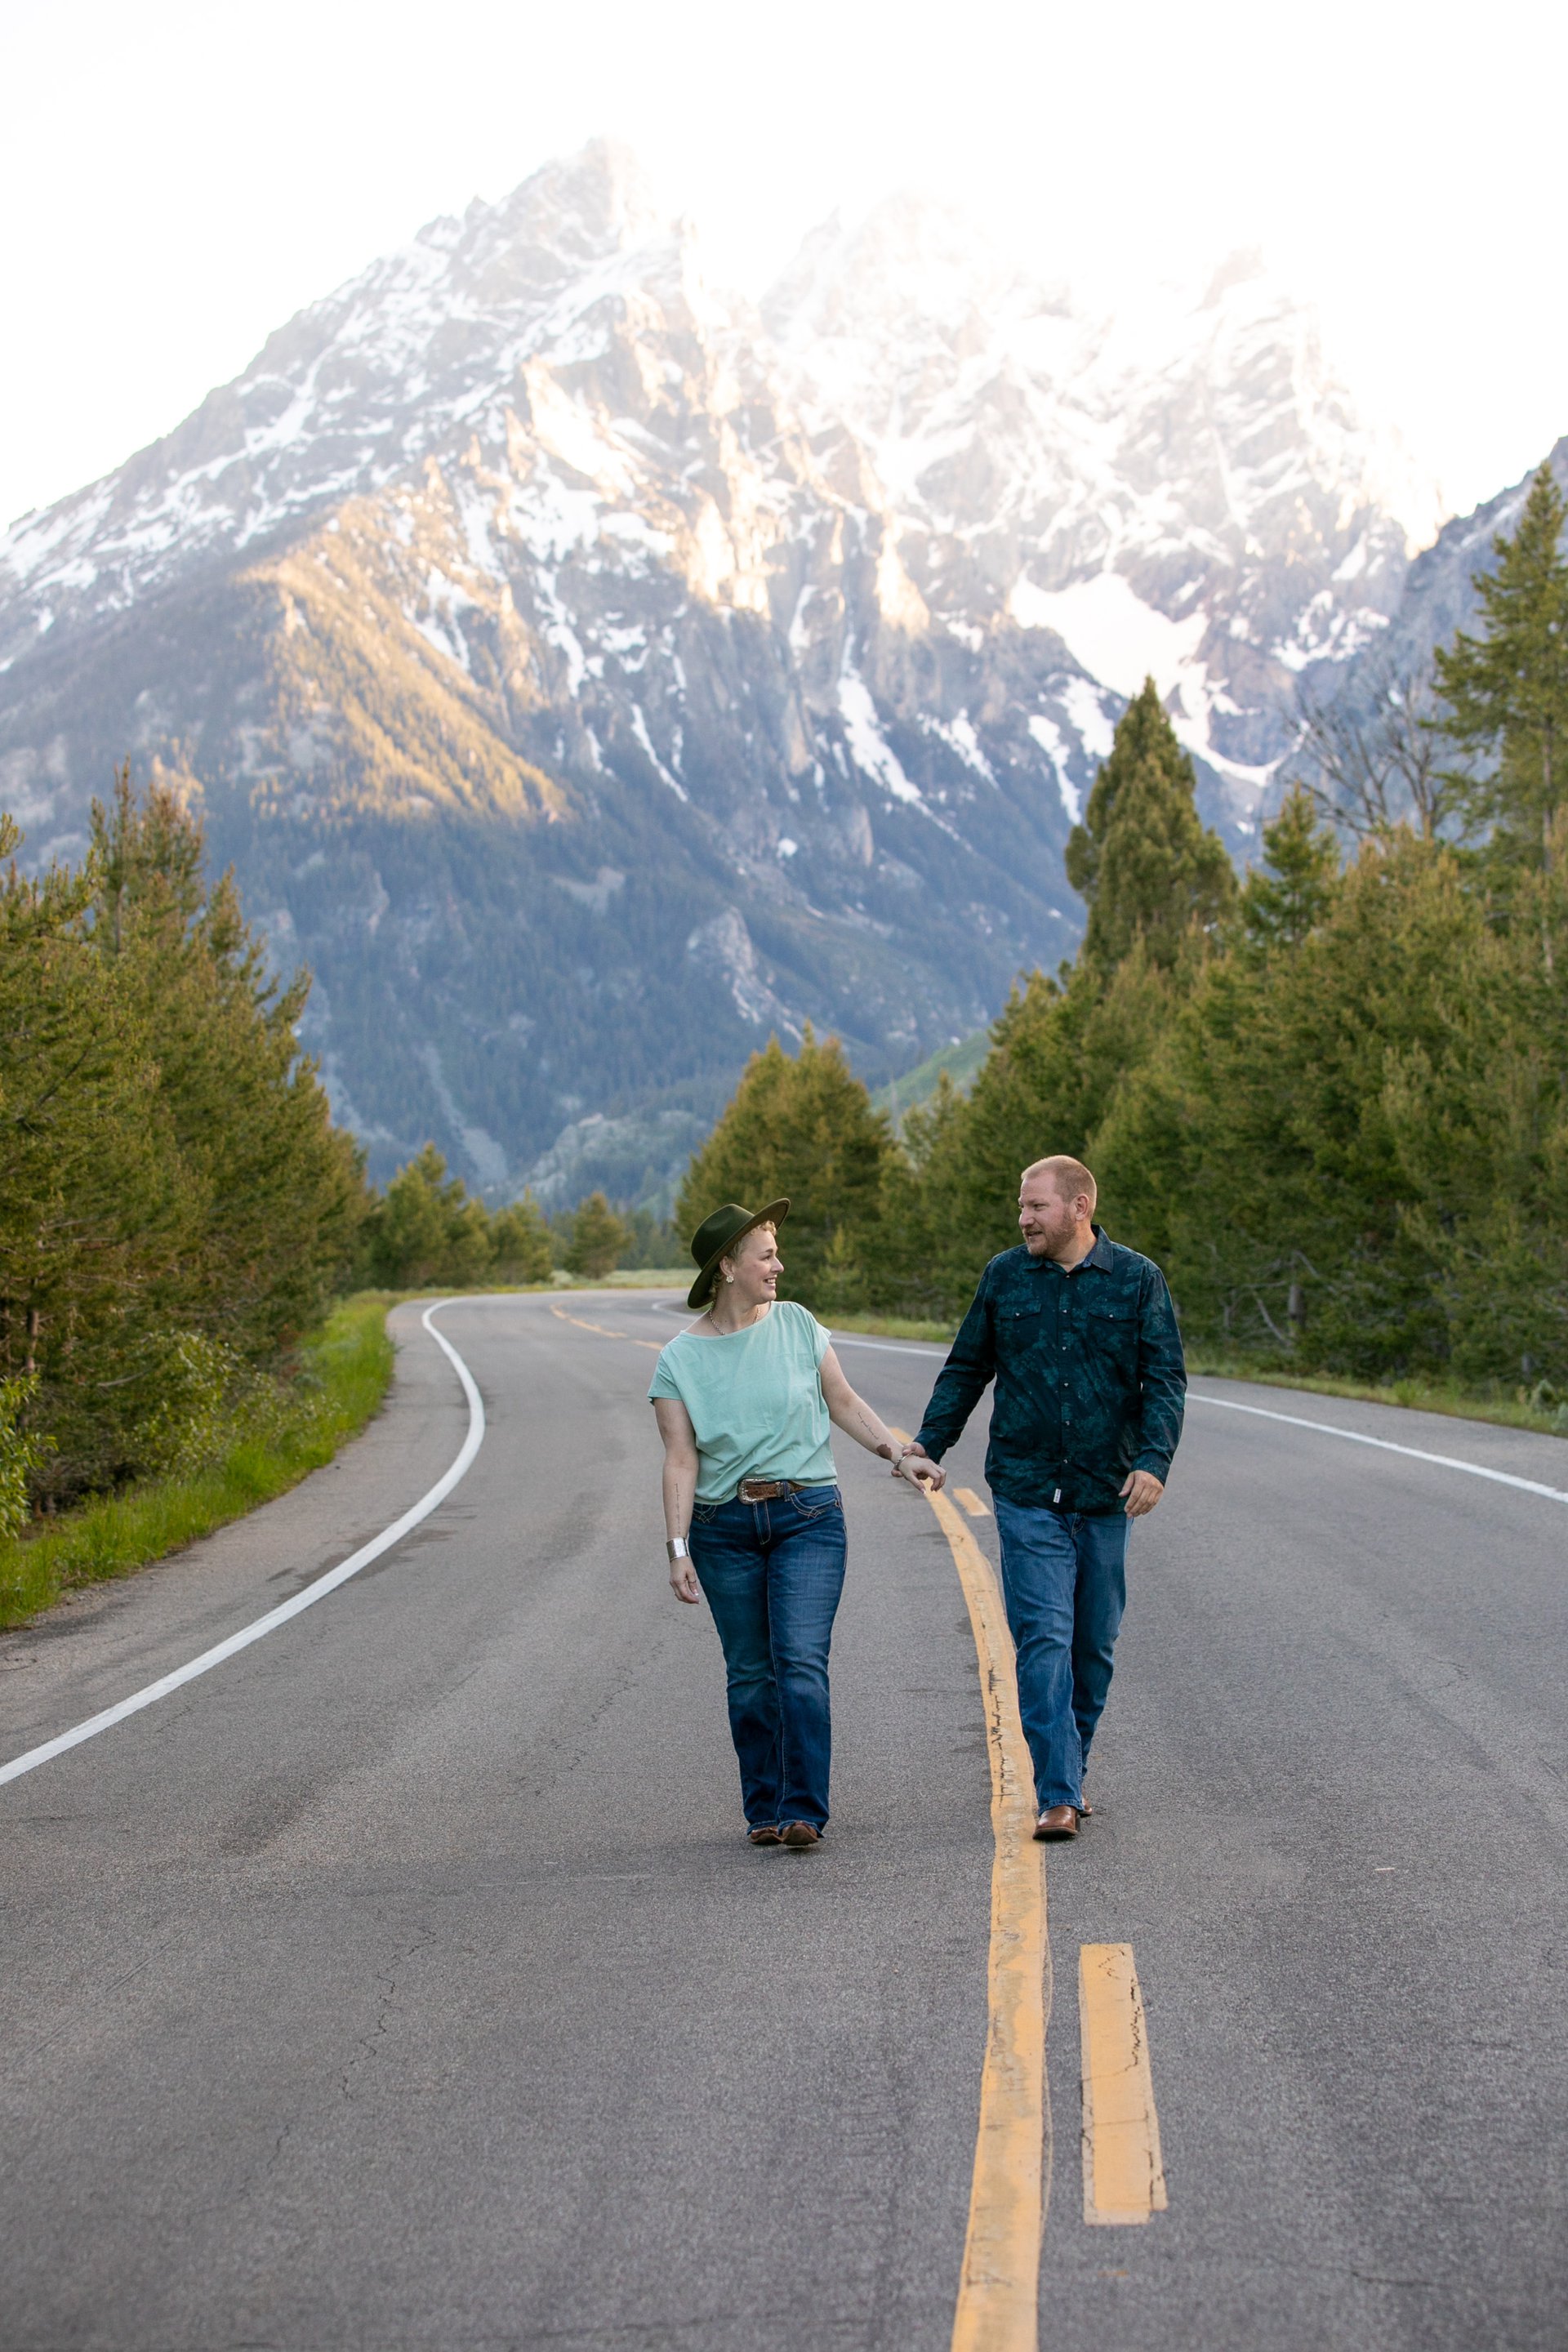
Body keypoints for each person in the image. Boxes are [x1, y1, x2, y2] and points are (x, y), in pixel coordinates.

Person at [902, 1156, 1185, 1841]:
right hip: (1027, 1490)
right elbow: (968, 1366)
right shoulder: (1005, 1276)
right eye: (1021, 1208)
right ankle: (1057, 1791)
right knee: (1043, 1639)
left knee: (1094, 1645)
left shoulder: (1138, 1280)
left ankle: (1069, 1767)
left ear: (1080, 1207)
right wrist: (926, 1446)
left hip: (1106, 1491)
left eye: (1036, 1207)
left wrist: (1153, 1463)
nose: (1023, 1219)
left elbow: (1165, 1380)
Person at [650, 1199, 942, 1849]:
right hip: (723, 1528)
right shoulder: (678, 1360)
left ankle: (804, 1809)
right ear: (728, 1266)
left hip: (808, 1516)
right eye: (766, 1255)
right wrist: (677, 1549)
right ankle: (764, 1808)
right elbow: (679, 1460)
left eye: (777, 1252)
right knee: (751, 1675)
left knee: (801, 1662)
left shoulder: (799, 1325)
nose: (779, 1265)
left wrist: (899, 1455)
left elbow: (842, 1401)